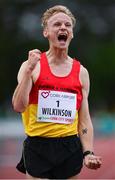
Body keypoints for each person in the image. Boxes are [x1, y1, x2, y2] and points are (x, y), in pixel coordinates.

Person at [12, 5, 102, 179]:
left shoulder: (81, 72)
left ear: (72, 33)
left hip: (69, 146)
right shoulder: (32, 66)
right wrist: (29, 69)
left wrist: (88, 152)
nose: (63, 28)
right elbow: (18, 106)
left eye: (67, 25)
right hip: (37, 145)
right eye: (57, 24)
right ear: (46, 32)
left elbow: (84, 119)